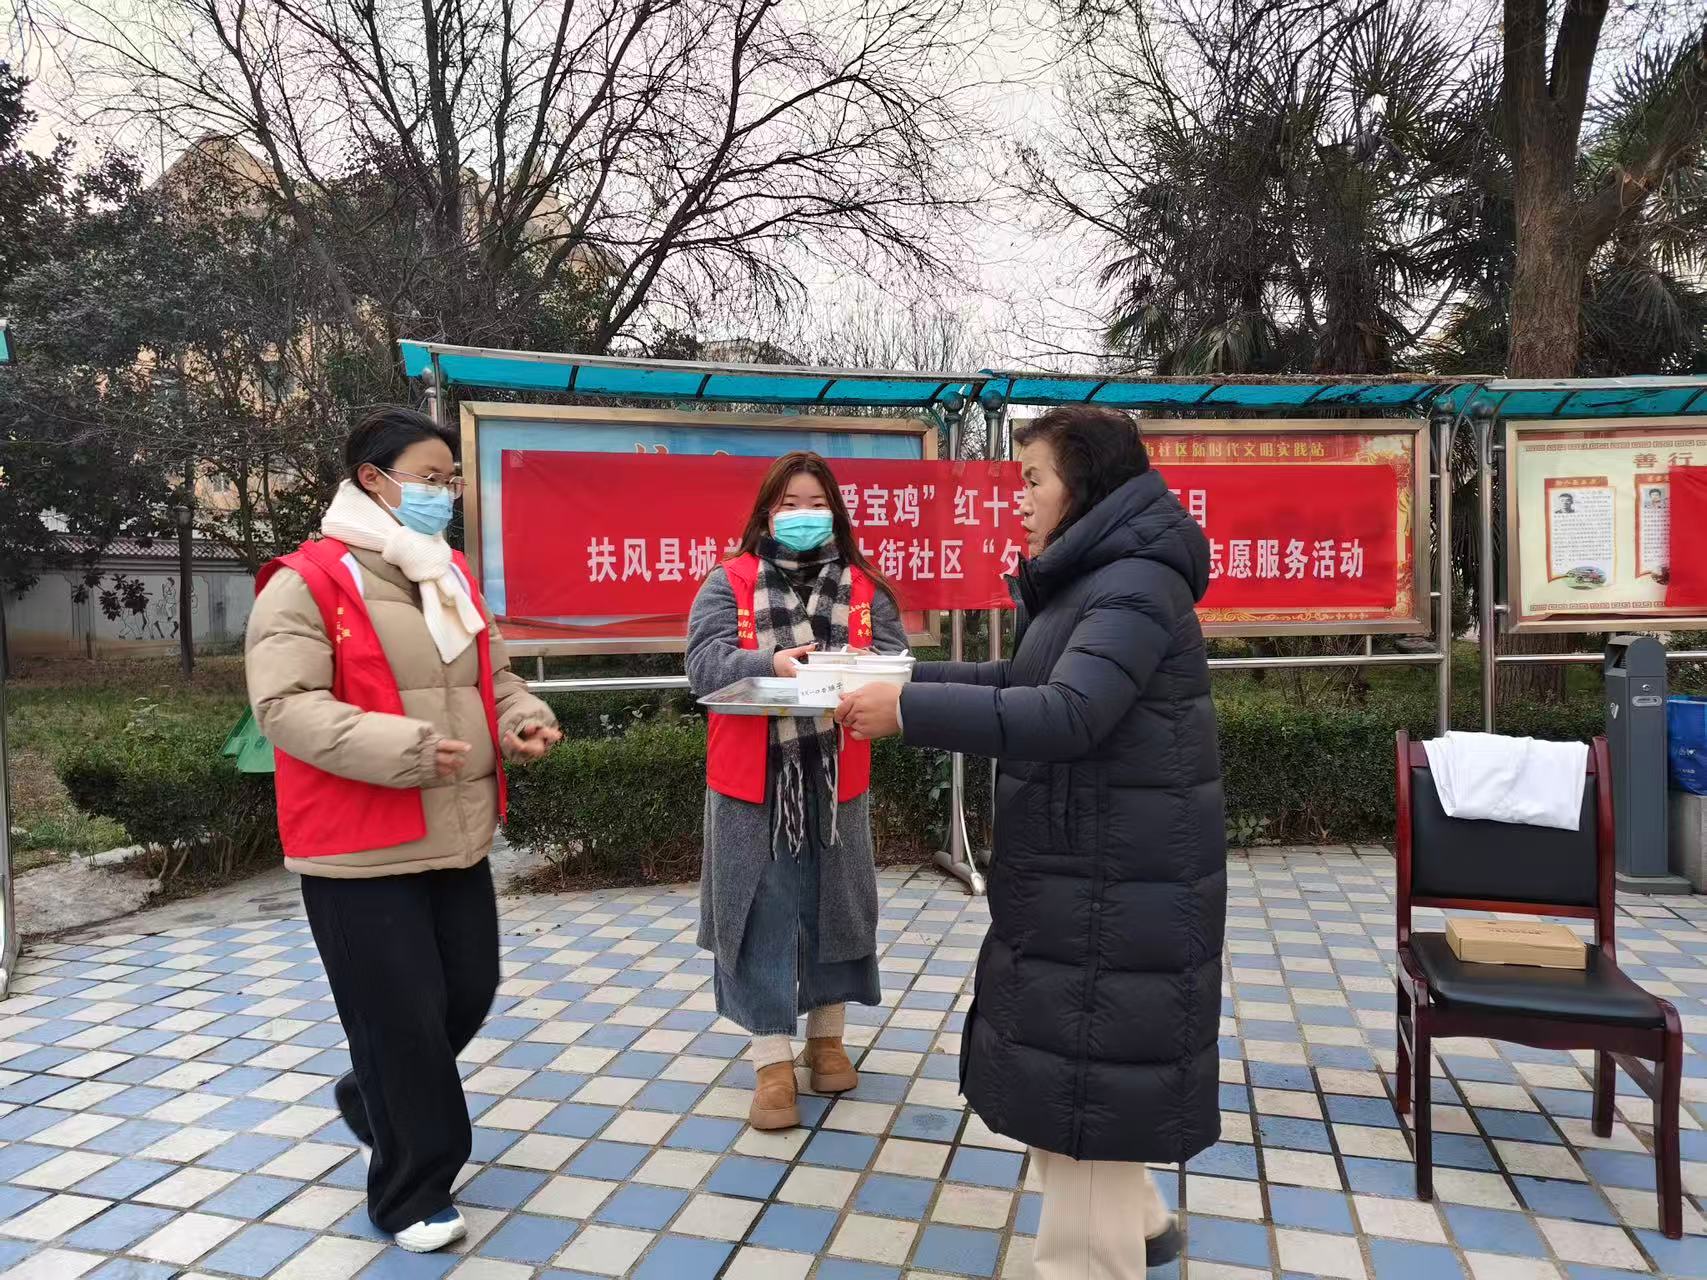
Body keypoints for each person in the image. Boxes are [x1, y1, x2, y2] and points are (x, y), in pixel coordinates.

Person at [837, 405, 1226, 1277]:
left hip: (1114, 883)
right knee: (1074, 1077)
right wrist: (891, 677)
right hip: (1087, 869)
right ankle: (1144, 1224)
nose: (1017, 500)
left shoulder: (1131, 584)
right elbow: (1019, 679)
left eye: (1032, 480)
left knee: (1087, 1088)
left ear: (1082, 484)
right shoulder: (1097, 579)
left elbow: (1068, 712)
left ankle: (1094, 1262)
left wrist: (907, 711)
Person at [245, 407, 561, 1252]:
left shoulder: (445, 572)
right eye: (429, 478)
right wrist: (406, 749)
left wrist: (521, 717)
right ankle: (410, 1190)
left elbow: (492, 677)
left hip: (453, 831)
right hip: (357, 843)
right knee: (401, 1021)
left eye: (450, 480)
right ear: (372, 478)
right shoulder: (307, 581)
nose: (444, 493)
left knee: (466, 992)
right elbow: (285, 706)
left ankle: (369, 1096)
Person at [686, 451, 909, 1129]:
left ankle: (828, 1040)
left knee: (836, 905)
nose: (803, 515)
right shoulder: (728, 581)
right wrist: (771, 663)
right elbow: (702, 666)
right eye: (788, 504)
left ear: (835, 514)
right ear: (765, 513)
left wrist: (863, 669)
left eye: (816, 504)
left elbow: (898, 661)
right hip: (753, 782)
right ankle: (771, 1063)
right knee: (761, 910)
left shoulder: (865, 586)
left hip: (838, 776)